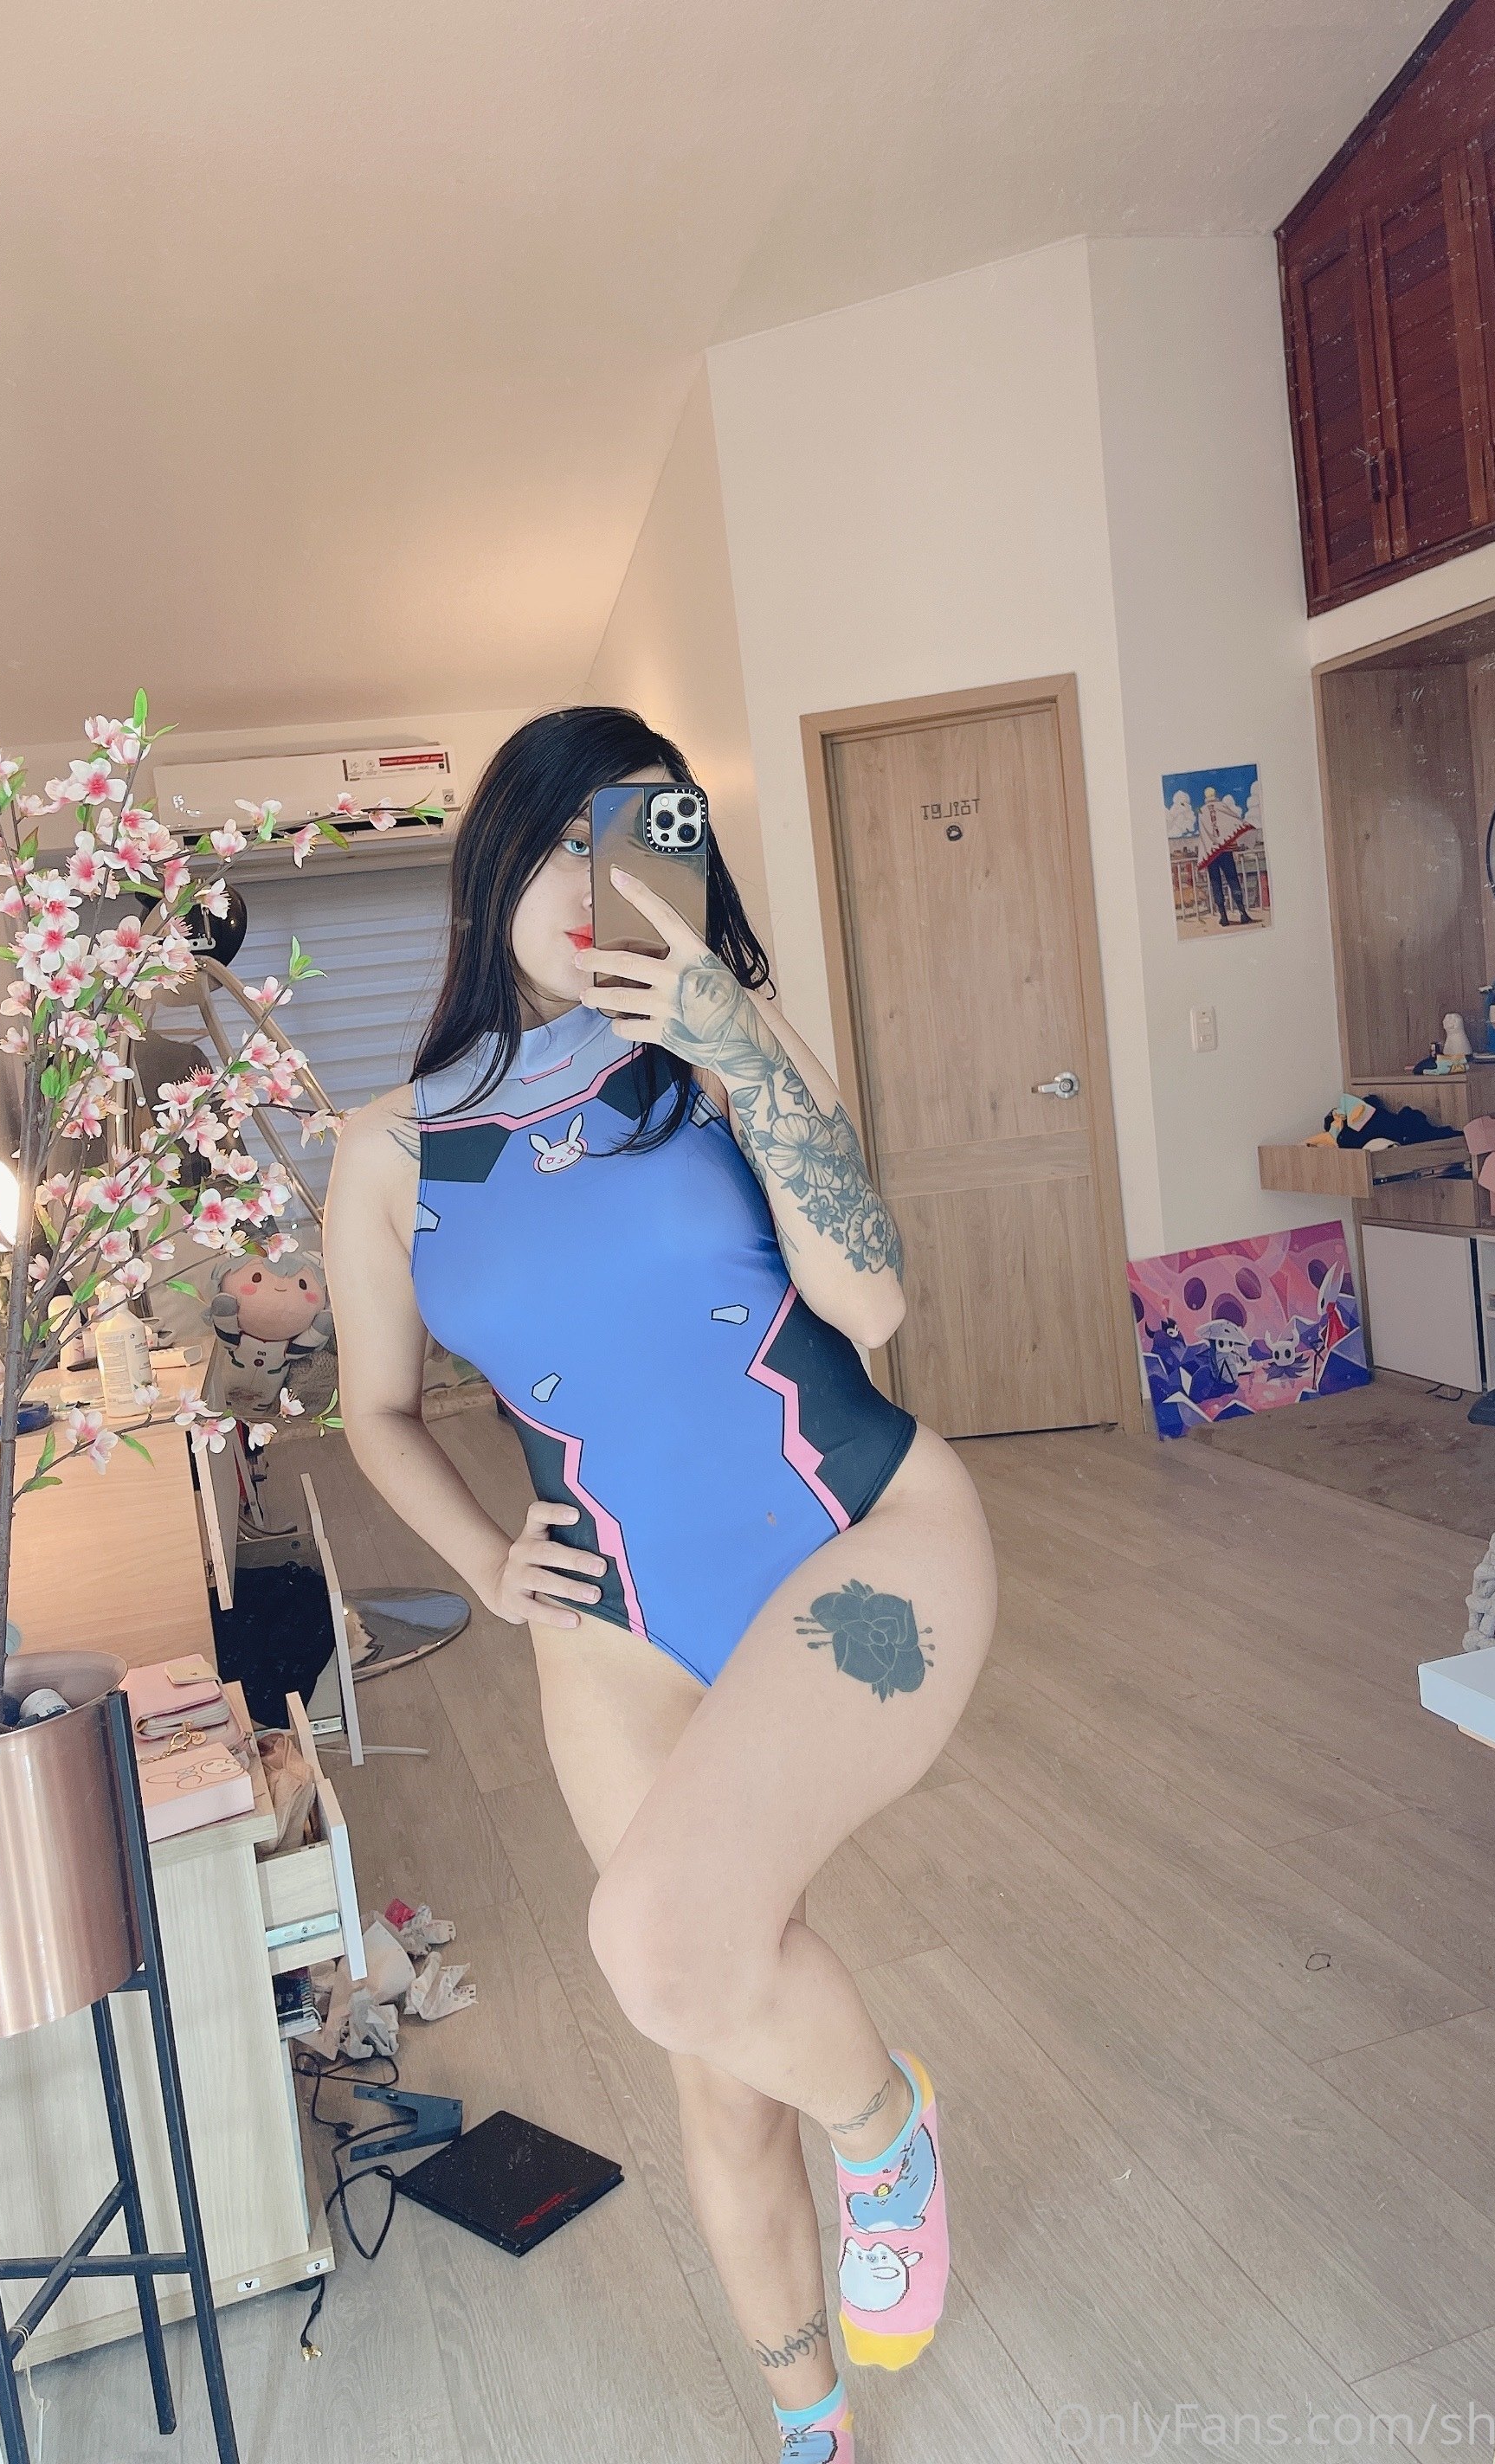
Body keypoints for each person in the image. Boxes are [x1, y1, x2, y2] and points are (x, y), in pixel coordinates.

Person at [325, 706, 996, 2462]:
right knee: (704, 2028)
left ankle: (885, 2129)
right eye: (561, 837)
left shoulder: (717, 1057)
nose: (591, 881)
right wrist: (485, 1562)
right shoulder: (387, 1156)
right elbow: (376, 1409)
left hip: (859, 1547)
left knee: (662, 1940)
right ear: (495, 860)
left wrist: (739, 1036)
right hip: (616, 1631)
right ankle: (809, 2425)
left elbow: (871, 1305)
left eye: (636, 839)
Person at [1195, 782, 1254, 926]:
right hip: (1226, 852)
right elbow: (1233, 821)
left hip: (1211, 853)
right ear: (1215, 795)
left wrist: (1212, 845)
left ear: (1205, 797)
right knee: (1233, 880)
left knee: (1216, 883)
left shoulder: (1202, 811)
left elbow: (1204, 835)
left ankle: (1224, 917)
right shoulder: (1222, 806)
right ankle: (1243, 913)